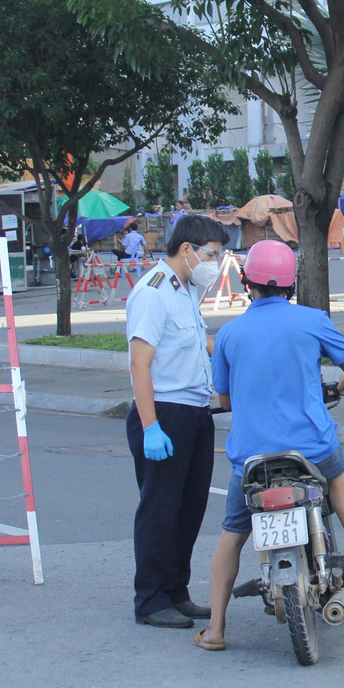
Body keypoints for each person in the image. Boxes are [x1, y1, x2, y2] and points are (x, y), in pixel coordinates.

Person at [195, 239, 344, 651]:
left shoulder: (228, 335)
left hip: (251, 460)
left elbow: (225, 400)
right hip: (310, 449)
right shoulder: (313, 320)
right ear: (291, 284)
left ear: (247, 283)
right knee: (339, 476)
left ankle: (216, 629)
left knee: (232, 535)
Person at [124, 214, 229, 628]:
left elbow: (199, 342)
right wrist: (150, 426)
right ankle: (151, 599)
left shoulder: (185, 289)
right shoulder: (153, 292)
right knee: (161, 509)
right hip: (164, 412)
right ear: (187, 249)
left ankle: (175, 591)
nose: (215, 263)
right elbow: (139, 363)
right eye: (211, 254)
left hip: (195, 411)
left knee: (189, 509)